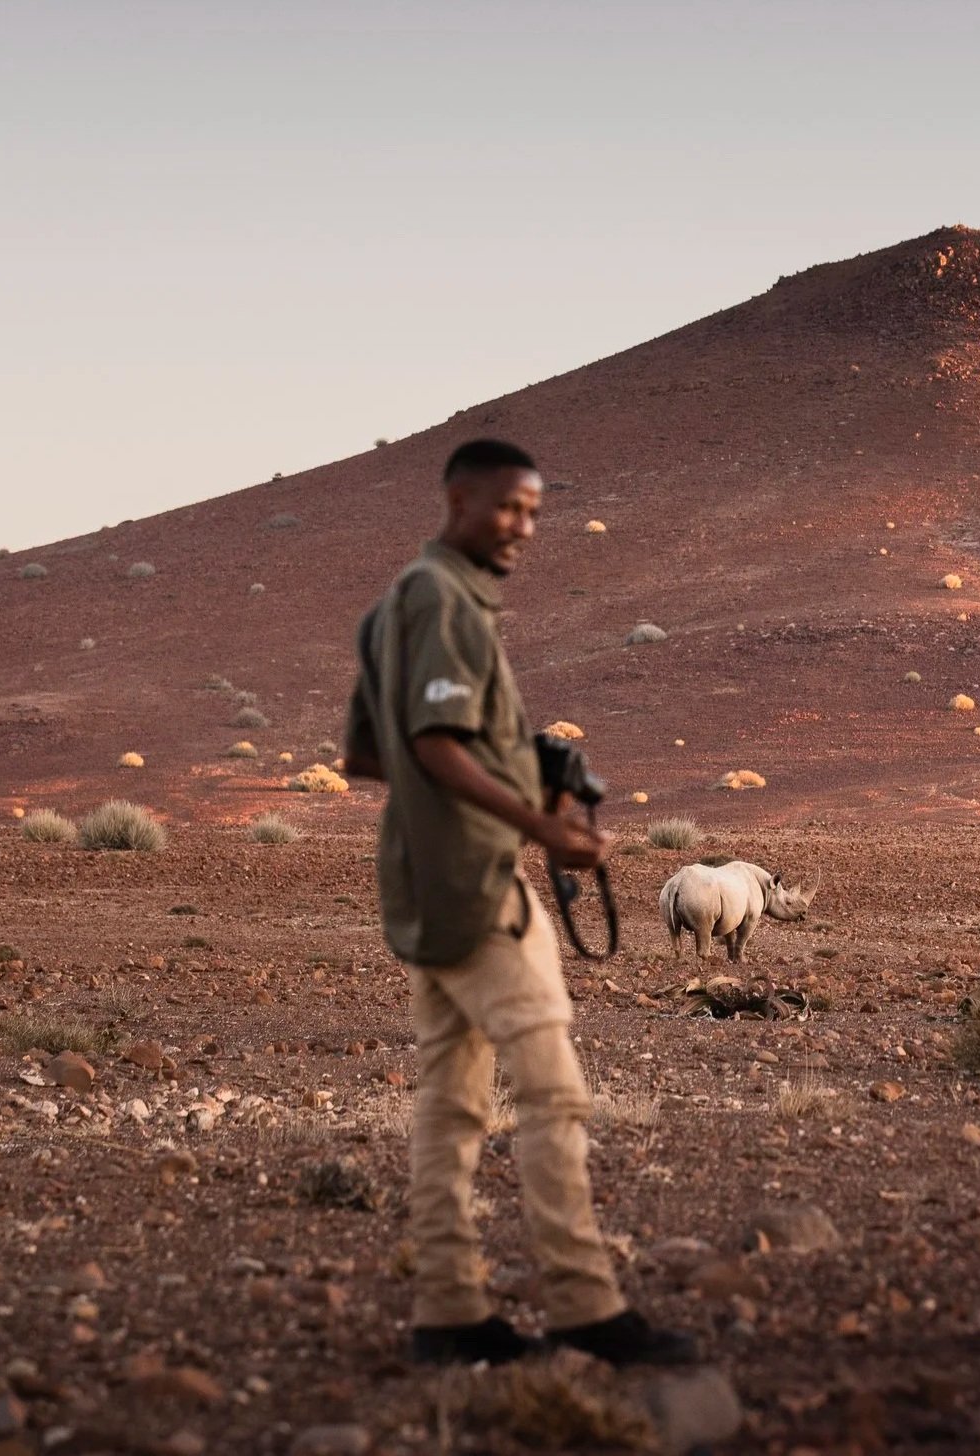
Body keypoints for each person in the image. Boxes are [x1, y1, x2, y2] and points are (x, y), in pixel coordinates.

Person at [344, 438, 693, 1368]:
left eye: (535, 512)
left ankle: (449, 1311)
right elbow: (433, 745)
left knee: (451, 1100)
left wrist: (506, 766)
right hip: (481, 885)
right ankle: (584, 1305)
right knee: (553, 1091)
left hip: (423, 887)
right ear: (459, 499)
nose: (523, 528)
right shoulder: (444, 599)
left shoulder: (391, 611)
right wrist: (544, 829)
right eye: (508, 508)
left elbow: (371, 756)